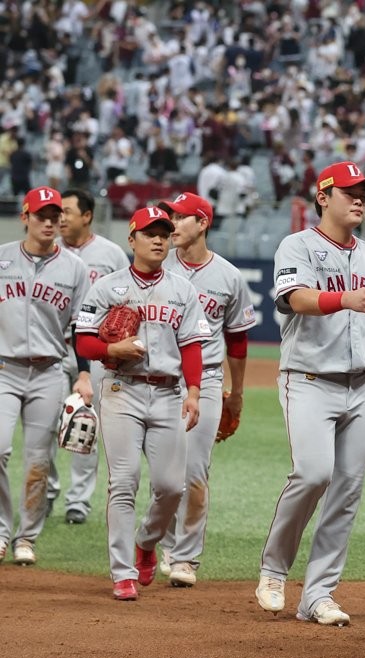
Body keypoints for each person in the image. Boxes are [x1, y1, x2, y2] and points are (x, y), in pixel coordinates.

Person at [255, 161, 365, 626]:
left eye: (364, 193)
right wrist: (343, 299)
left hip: (360, 387)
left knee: (348, 490)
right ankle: (273, 571)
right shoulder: (298, 245)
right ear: (323, 197)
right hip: (308, 380)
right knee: (313, 474)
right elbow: (294, 298)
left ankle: (319, 594)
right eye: (350, 191)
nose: (359, 199)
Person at [74, 205, 210, 600]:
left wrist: (195, 391)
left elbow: (191, 346)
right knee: (124, 482)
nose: (158, 240)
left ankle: (147, 543)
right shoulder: (107, 287)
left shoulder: (183, 289)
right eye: (150, 233)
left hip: (168, 394)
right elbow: (83, 339)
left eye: (164, 234)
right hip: (122, 391)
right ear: (131, 239)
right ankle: (123, 573)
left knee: (171, 487)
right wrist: (109, 347)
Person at [158, 192, 256, 587]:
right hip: (162, 378)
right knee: (164, 474)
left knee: (196, 471)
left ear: (202, 223)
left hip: (210, 379)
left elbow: (237, 341)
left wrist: (238, 393)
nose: (172, 224)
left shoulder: (229, 277)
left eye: (181, 217)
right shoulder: (156, 267)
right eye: (170, 217)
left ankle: (186, 558)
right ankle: (162, 544)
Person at [0, 187, 90, 565]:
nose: (50, 222)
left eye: (55, 216)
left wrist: (83, 375)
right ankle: (2, 530)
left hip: (50, 372)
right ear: (25, 218)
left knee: (39, 460)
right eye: (42, 216)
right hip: (5, 368)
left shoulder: (75, 268)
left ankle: (26, 538)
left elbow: (82, 328)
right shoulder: (2, 259)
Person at [45, 188, 130, 526]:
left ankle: (78, 500)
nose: (60, 218)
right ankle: (46, 493)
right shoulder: (47, 251)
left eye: (66, 211)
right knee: (46, 425)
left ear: (87, 216)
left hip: (92, 354)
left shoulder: (110, 254)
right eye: (57, 213)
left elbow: (127, 301)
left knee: (84, 424)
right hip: (53, 349)